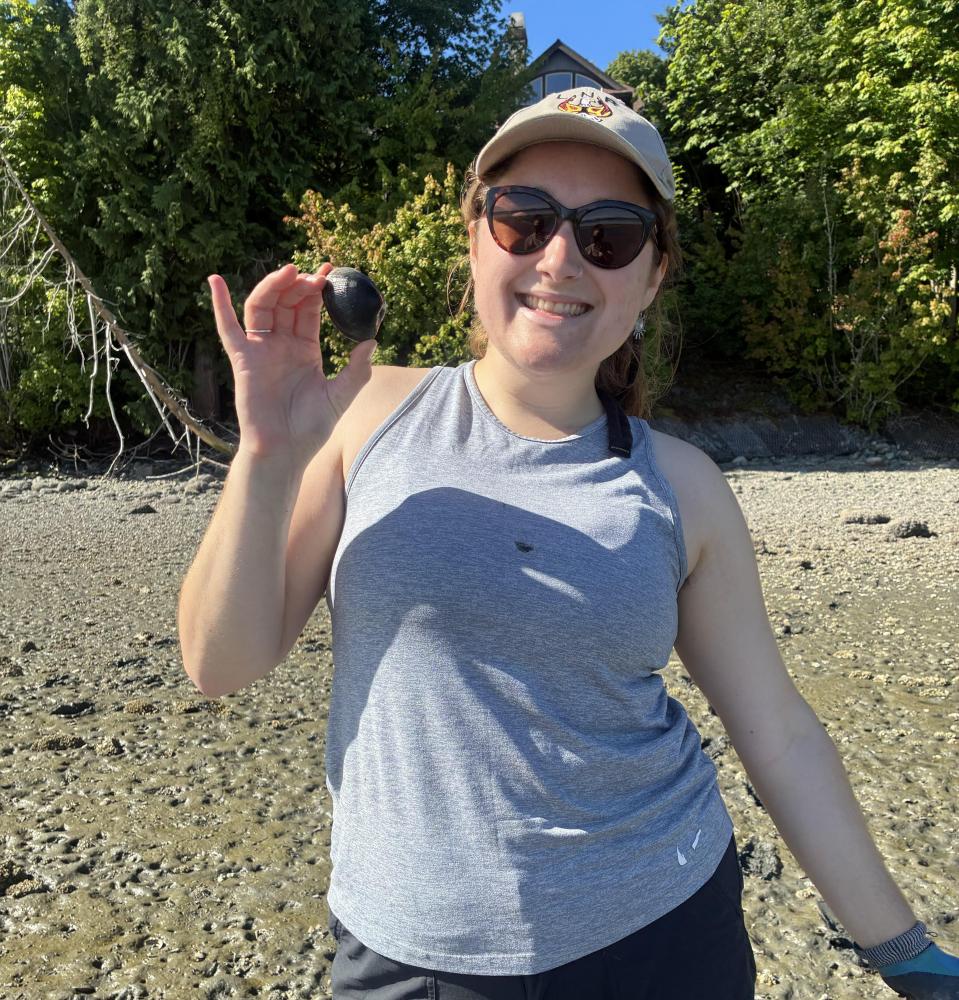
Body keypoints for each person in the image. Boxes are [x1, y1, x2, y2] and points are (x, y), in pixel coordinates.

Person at [179, 87, 959, 999]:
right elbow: (219, 663)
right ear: (474, 238)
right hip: (409, 957)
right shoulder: (362, 413)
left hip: (661, 934)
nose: (559, 258)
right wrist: (268, 456)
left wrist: (902, 950)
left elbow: (775, 732)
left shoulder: (684, 485)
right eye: (525, 219)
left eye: (609, 234)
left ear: (652, 274)